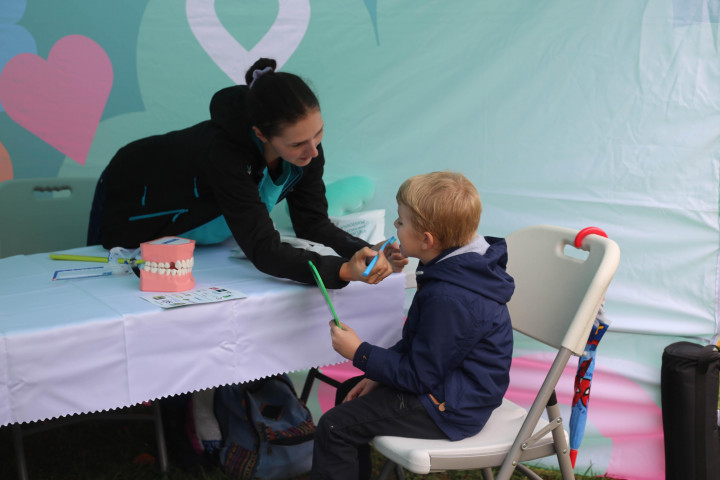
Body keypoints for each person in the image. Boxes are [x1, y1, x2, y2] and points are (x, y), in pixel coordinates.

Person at [88, 58, 406, 288]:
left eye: (318, 133)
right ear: (261, 134)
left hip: (195, 233)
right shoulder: (223, 153)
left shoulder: (307, 150)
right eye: (298, 143)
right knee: (107, 279)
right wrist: (341, 271)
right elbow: (263, 249)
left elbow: (312, 222)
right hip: (132, 188)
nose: (312, 151)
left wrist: (363, 251)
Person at [311, 171, 515, 480]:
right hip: (446, 386)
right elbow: (423, 345)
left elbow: (420, 375)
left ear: (427, 240)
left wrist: (359, 353)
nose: (396, 226)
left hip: (449, 406)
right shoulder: (454, 268)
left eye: (401, 222)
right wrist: (376, 374)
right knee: (350, 392)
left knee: (334, 427)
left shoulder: (451, 297)